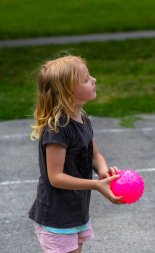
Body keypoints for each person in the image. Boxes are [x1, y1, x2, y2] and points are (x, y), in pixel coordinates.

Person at [28, 55, 123, 253]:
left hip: (75, 211)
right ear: (68, 92)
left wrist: (104, 172)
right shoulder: (58, 129)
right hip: (56, 215)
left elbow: (95, 155)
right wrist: (96, 185)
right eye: (86, 79)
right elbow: (56, 177)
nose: (94, 80)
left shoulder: (83, 120)